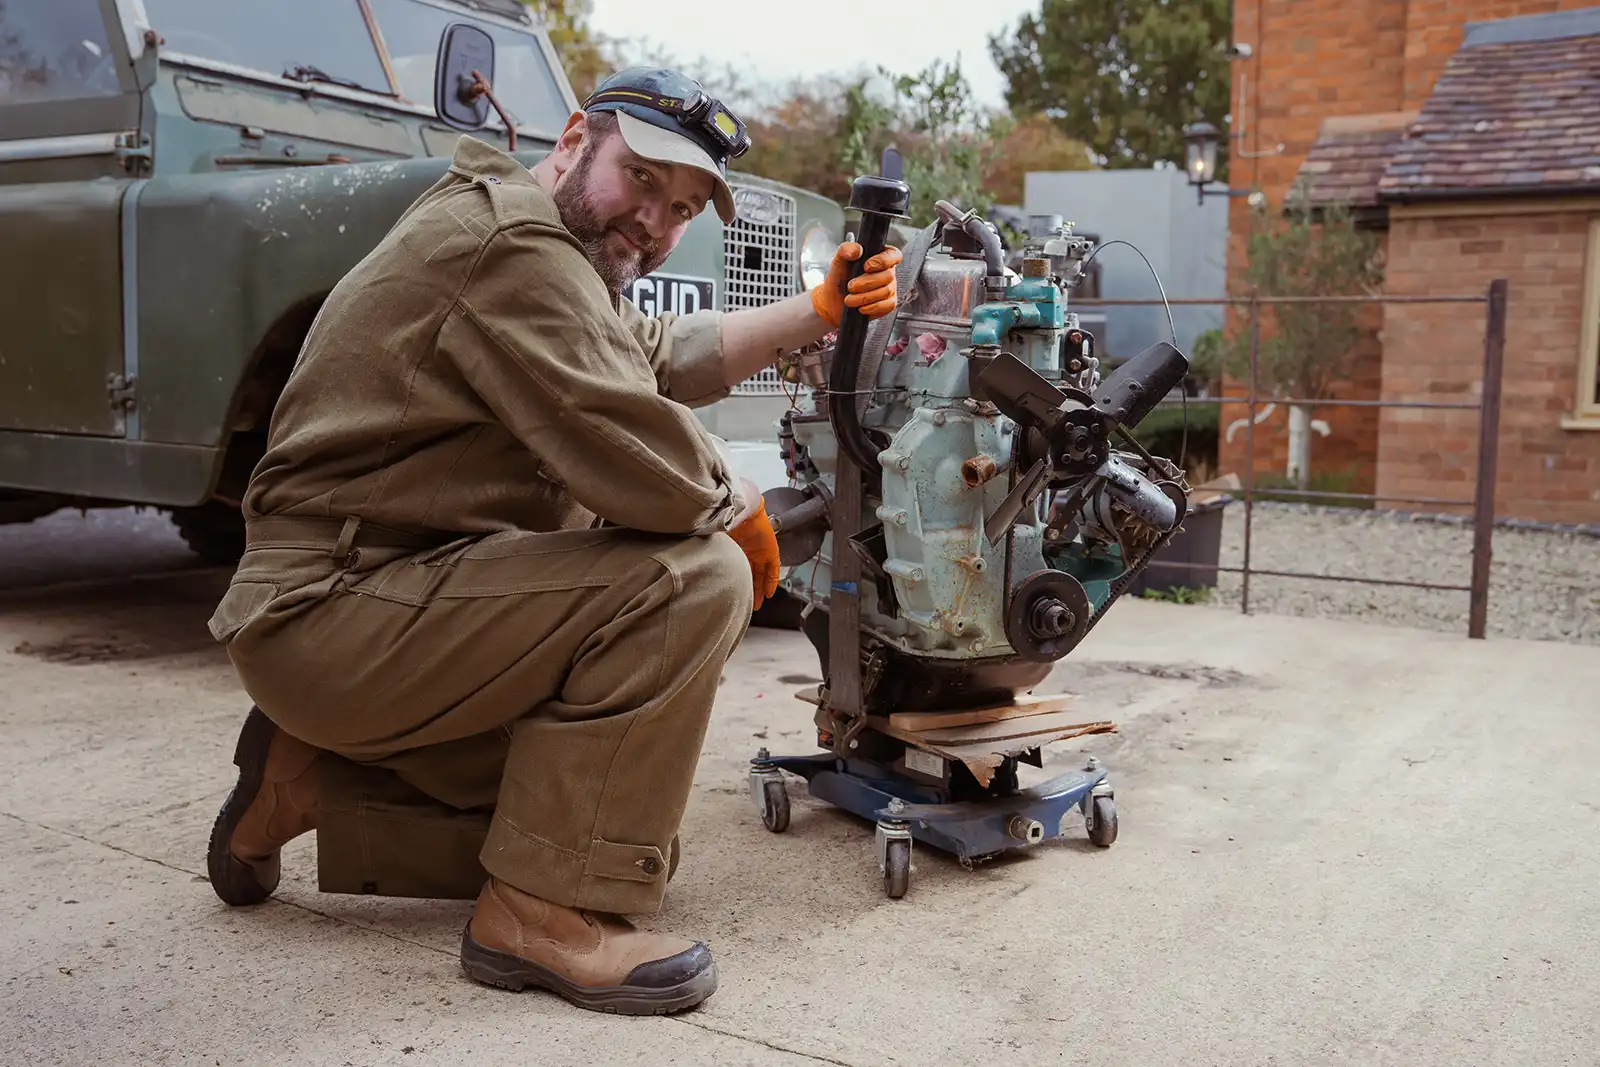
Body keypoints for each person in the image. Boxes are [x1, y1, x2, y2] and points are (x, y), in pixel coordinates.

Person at [201, 66, 902, 1017]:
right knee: (693, 579)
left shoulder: (552, 253)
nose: (656, 221)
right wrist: (732, 503)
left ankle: (308, 782)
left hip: (366, 611)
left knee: (603, 819)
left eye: (684, 206)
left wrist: (817, 312)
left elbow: (652, 358)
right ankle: (533, 914)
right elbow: (632, 451)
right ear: (575, 140)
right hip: (338, 607)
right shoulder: (510, 243)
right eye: (644, 180)